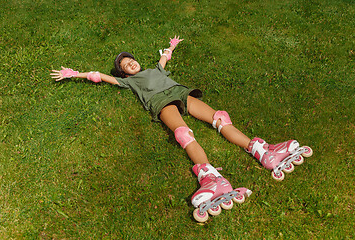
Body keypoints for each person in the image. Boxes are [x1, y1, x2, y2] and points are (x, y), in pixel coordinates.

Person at [51, 36, 312, 222]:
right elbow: (100, 76)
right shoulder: (128, 82)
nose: (129, 63)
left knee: (220, 119)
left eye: (131, 60)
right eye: (124, 65)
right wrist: (76, 74)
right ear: (124, 73)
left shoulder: (155, 69)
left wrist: (171, 47)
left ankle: (262, 150)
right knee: (183, 134)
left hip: (180, 93)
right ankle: (211, 178)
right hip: (162, 103)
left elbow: (164, 58)